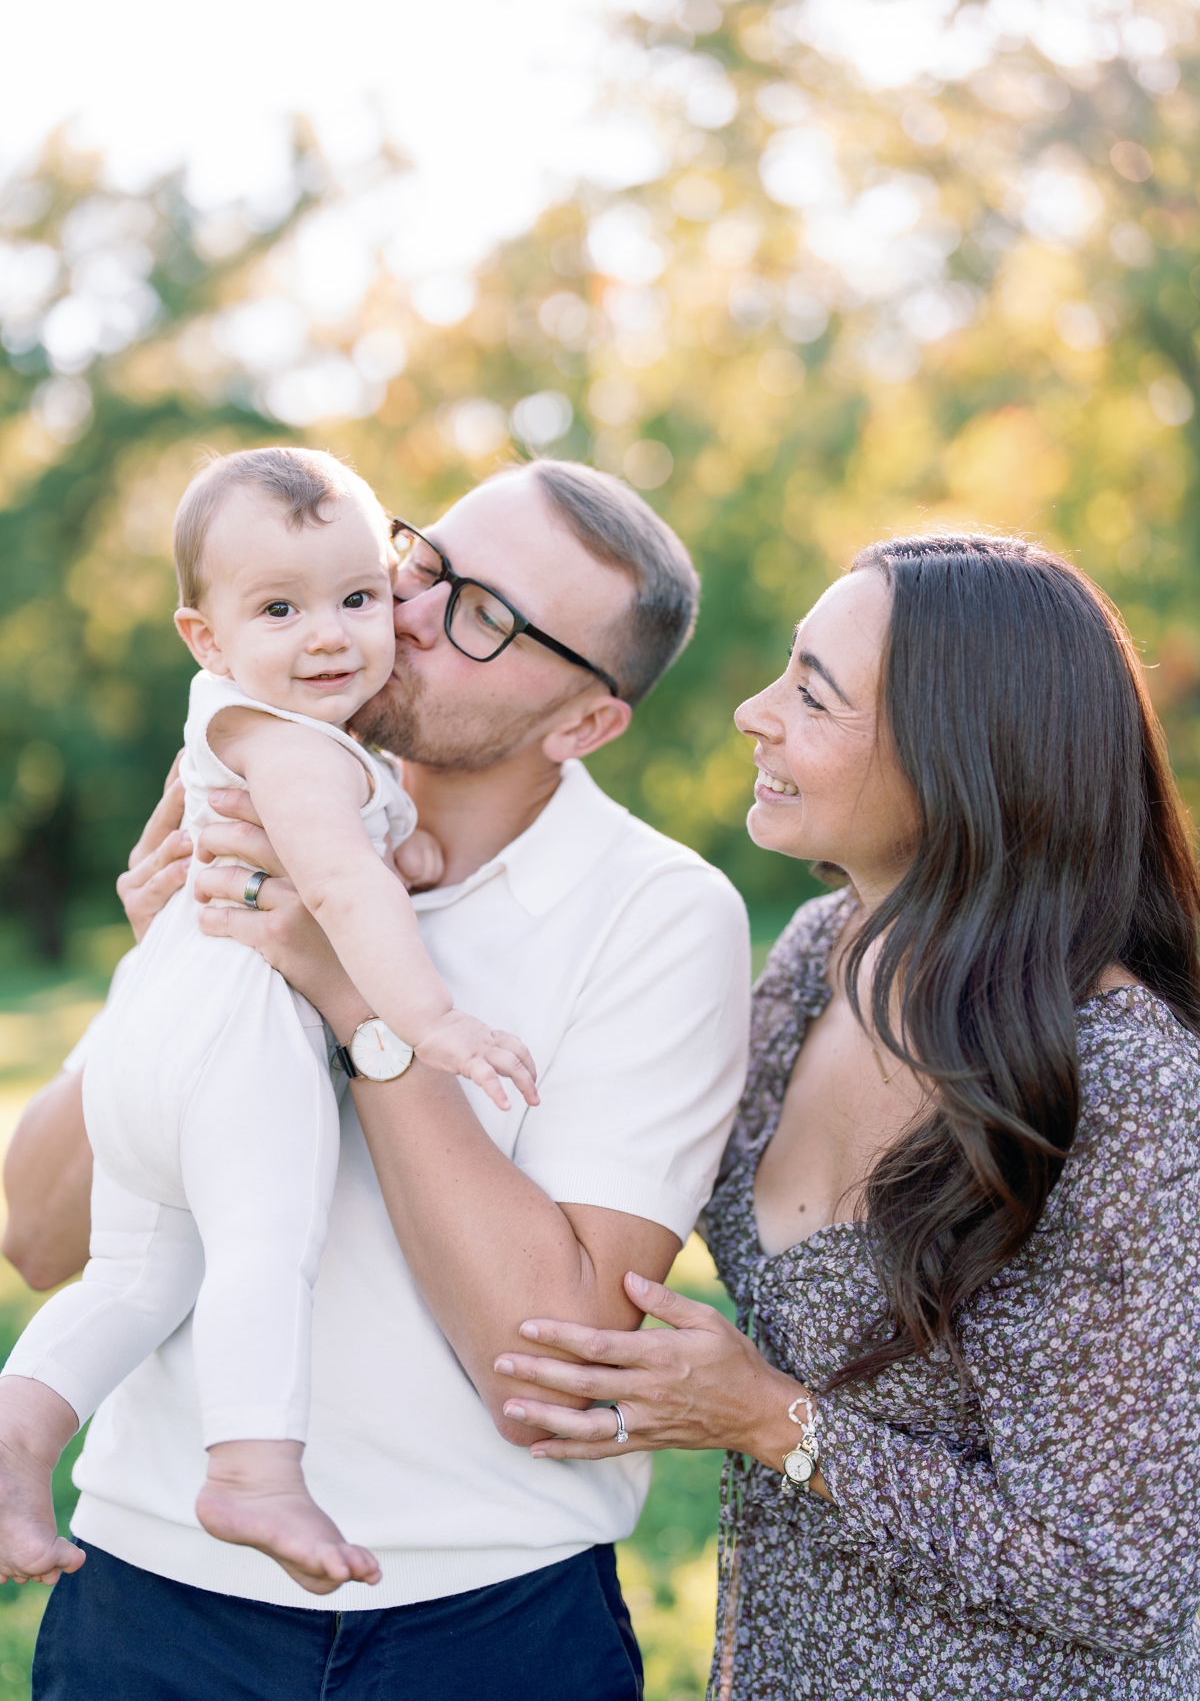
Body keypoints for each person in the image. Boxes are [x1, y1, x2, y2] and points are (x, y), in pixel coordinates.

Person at [3, 459, 751, 1701]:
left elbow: (541, 1364)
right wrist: (174, 974)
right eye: (424, 560)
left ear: (583, 722)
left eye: (483, 614)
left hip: (482, 1623)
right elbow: (37, 1237)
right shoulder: (256, 793)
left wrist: (350, 995)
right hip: (149, 1595)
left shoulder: (662, 913)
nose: (404, 611)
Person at [492, 534, 1200, 1700]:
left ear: (963, 758)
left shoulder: (1127, 1087)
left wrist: (773, 1420)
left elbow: (1116, 1579)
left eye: (813, 695)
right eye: (787, 667)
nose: (752, 713)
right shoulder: (829, 953)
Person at [0, 447, 541, 1596]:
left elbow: (375, 836)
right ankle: (252, 1471)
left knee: (133, 1281)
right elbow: (344, 888)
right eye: (281, 609)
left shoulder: (264, 728)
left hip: (146, 1036)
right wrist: (430, 1020)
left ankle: (13, 1442)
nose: (332, 635)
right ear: (206, 638)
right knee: (261, 1241)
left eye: (357, 599)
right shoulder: (292, 744)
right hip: (237, 1040)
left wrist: (406, 833)